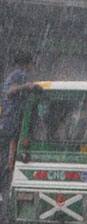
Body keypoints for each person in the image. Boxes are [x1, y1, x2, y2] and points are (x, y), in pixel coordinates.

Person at [0, 51, 37, 196]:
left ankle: (9, 168)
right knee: (11, 144)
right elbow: (9, 91)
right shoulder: (18, 75)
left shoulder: (18, 75)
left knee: (11, 144)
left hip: (12, 119)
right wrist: (26, 87)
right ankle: (9, 169)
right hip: (11, 119)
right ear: (27, 63)